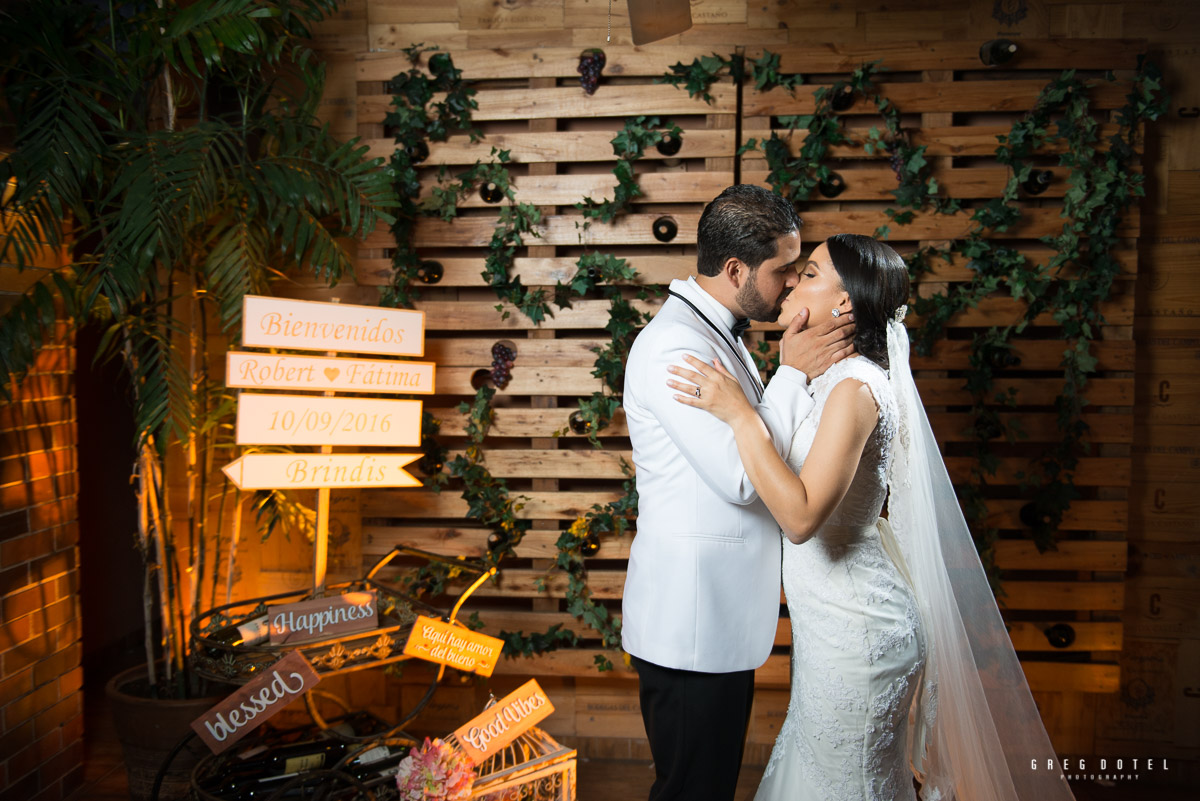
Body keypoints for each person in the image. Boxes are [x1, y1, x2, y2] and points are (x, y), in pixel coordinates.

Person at [668, 233, 1075, 801]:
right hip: (831, 627)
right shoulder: (823, 381)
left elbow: (802, 516)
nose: (789, 281)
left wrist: (740, 415)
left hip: (859, 632)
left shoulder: (855, 388)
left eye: (808, 273)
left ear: (844, 306)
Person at [621, 184, 856, 801]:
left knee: (706, 787)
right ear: (735, 270)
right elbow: (742, 476)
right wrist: (793, 372)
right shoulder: (676, 345)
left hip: (716, 618)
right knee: (693, 791)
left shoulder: (714, 330)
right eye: (783, 270)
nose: (789, 285)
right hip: (692, 621)